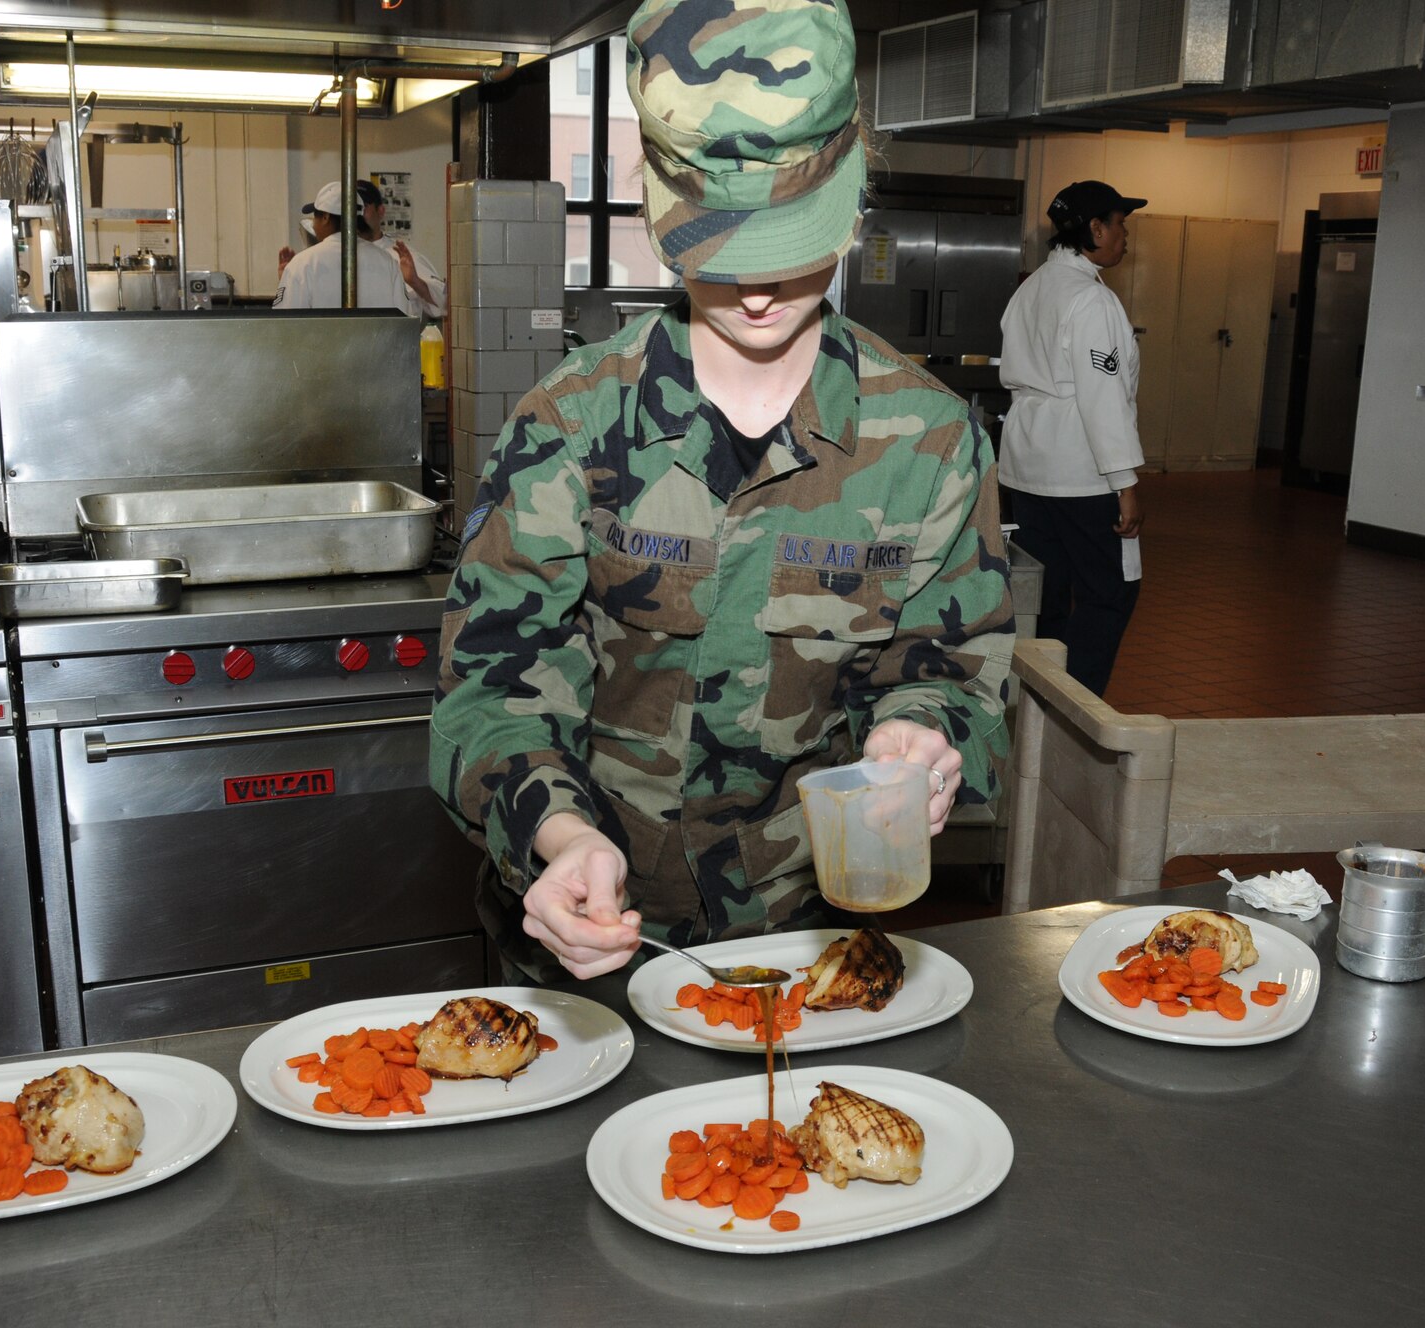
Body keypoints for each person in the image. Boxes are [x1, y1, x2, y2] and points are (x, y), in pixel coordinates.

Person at [429, 0, 1015, 983]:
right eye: (720, 248)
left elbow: (950, 667)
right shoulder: (569, 423)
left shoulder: (927, 440)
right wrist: (559, 833)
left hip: (806, 935)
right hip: (585, 944)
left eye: (786, 243)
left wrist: (922, 731)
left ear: (850, 189)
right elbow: (488, 693)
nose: (754, 291)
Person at [996, 179, 1148, 697]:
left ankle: (1039, 702)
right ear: (1094, 229)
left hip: (1026, 463)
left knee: (1048, 595)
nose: (1125, 236)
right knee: (1111, 594)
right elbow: (1102, 398)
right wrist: (1124, 481)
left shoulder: (1031, 288)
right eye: (1120, 224)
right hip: (1082, 470)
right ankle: (1076, 707)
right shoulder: (1092, 301)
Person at [279, 177, 445, 317]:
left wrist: (415, 281)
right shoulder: (387, 262)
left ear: (325, 218)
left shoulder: (303, 263)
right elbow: (401, 321)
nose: (313, 225)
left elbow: (286, 324)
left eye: (315, 217)